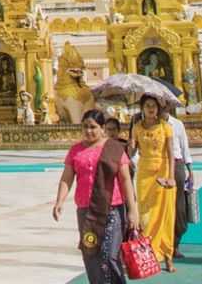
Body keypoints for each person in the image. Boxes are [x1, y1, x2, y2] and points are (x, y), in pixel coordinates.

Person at [53, 108, 139, 284]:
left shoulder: (114, 149)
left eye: (93, 127)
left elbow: (125, 180)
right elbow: (66, 178)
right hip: (86, 212)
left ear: (102, 128)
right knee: (91, 255)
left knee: (108, 255)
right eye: (85, 127)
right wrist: (59, 201)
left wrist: (133, 211)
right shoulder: (75, 150)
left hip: (112, 210)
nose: (89, 131)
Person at [129, 93, 177, 272]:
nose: (150, 108)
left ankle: (168, 258)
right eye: (147, 105)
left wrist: (171, 177)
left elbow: (171, 154)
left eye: (153, 105)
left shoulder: (166, 127)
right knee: (146, 218)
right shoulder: (136, 128)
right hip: (144, 175)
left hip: (163, 175)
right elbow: (132, 154)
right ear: (142, 108)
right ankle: (148, 257)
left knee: (165, 217)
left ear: (158, 109)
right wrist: (131, 145)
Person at [165, 109, 193, 260]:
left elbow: (184, 147)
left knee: (179, 207)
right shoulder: (145, 124)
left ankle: (175, 243)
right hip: (157, 166)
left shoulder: (176, 124)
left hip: (176, 165)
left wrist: (190, 169)